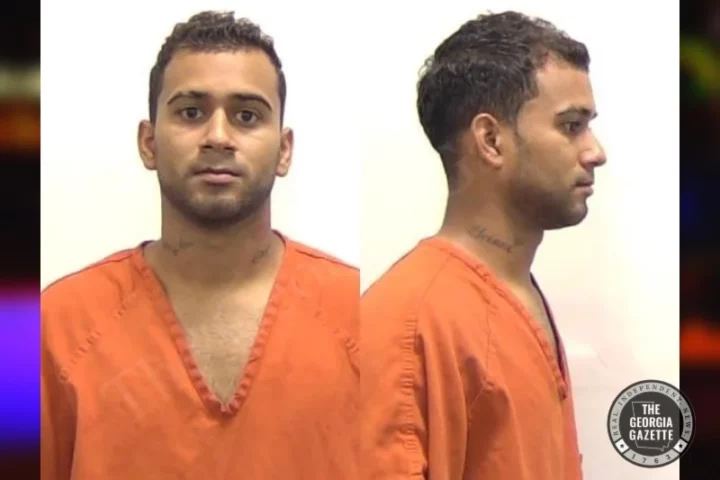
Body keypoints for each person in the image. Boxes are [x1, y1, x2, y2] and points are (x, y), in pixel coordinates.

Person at [41, 11, 359, 479]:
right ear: (149, 143)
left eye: (246, 116)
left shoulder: (361, 318)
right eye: (191, 112)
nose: (218, 137)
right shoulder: (54, 327)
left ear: (284, 149)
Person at [361, 11, 606, 480]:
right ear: (491, 140)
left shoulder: (518, 293)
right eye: (572, 126)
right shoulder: (409, 325)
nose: (596, 151)